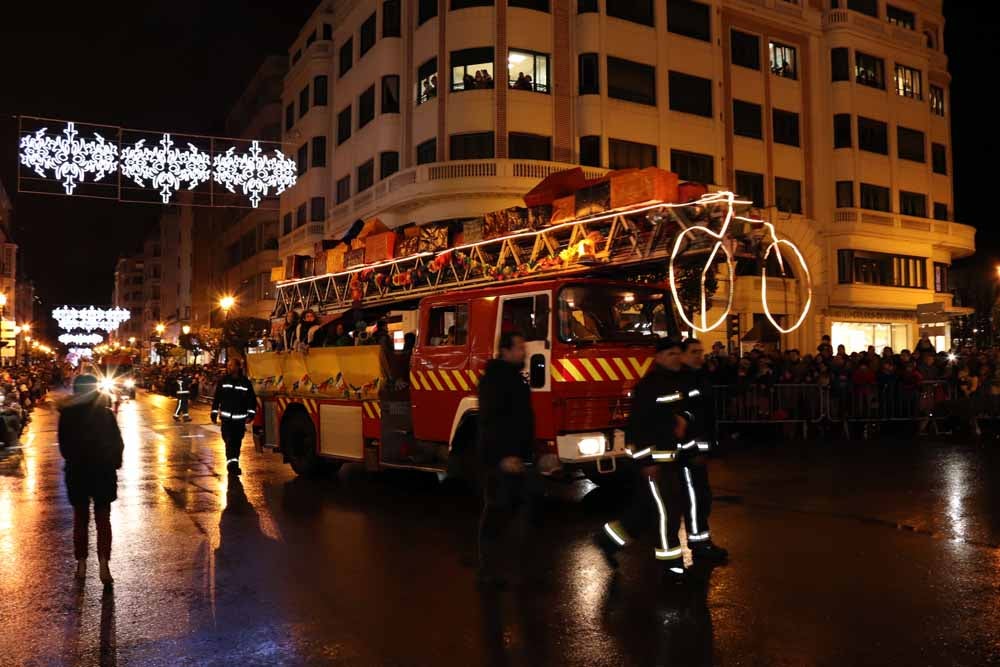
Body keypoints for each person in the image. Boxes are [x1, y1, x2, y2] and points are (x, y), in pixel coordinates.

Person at [595, 338, 692, 583]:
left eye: (678, 354)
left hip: (670, 461)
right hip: (655, 464)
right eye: (670, 354)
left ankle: (607, 540)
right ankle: (671, 565)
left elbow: (683, 409)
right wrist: (647, 462)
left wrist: (683, 418)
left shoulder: (675, 382)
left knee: (645, 512)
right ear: (658, 357)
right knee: (667, 513)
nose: (676, 358)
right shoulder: (649, 386)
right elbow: (637, 428)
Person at [477, 331, 537, 589]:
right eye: (520, 348)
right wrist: (504, 456)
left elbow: (521, 421)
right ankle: (489, 573)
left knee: (516, 511)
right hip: (500, 461)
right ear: (506, 351)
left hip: (515, 459)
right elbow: (492, 422)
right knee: (497, 513)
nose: (525, 352)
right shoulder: (496, 381)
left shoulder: (513, 378)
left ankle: (510, 570)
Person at [58, 374, 125, 586]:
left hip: (78, 472)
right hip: (102, 471)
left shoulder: (67, 414)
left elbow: (64, 446)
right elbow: (117, 442)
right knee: (103, 519)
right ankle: (104, 563)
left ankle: (81, 563)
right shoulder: (105, 413)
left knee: (81, 519)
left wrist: (76, 459)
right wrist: (113, 462)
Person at [679, 338, 729, 565]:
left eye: (700, 351)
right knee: (694, 498)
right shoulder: (683, 380)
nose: (699, 356)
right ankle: (699, 545)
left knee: (702, 498)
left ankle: (702, 541)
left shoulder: (699, 376)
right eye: (694, 352)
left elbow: (706, 416)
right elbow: (687, 417)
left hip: (698, 448)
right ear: (683, 355)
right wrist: (694, 449)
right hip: (688, 452)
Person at [211, 357, 257, 475]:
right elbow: (217, 397)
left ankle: (234, 463)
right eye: (228, 365)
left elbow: (251, 399)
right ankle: (232, 464)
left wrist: (251, 414)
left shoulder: (245, 382)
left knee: (236, 443)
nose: (229, 367)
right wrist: (214, 412)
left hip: (239, 420)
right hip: (226, 419)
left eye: (231, 365)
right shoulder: (223, 381)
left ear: (238, 367)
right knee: (229, 441)